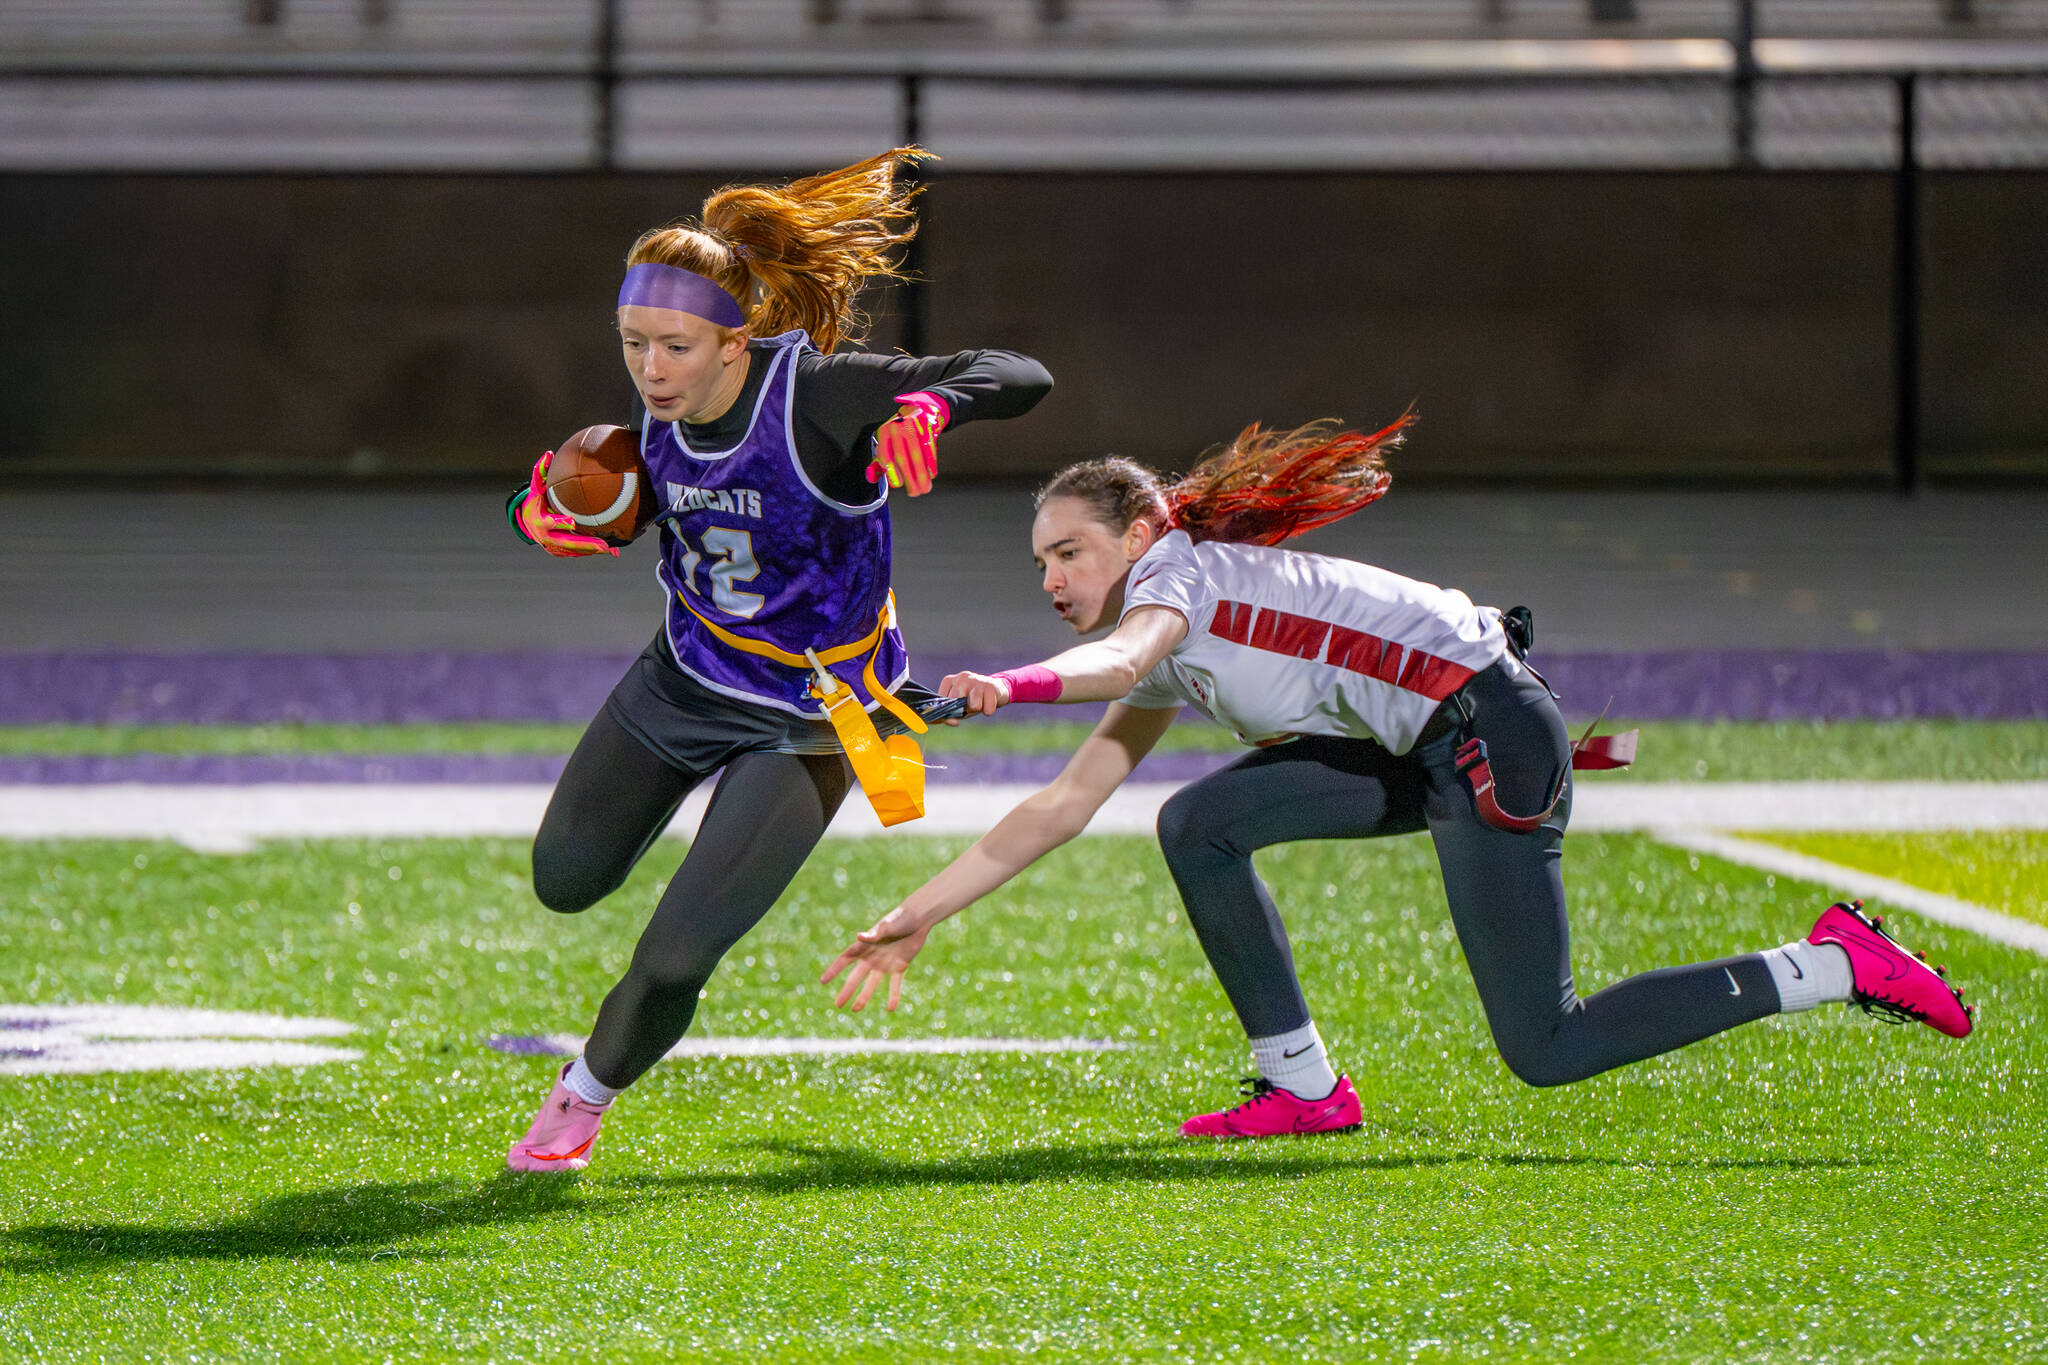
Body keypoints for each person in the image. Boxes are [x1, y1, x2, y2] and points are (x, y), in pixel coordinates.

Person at [821, 417, 1973, 1139]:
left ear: (1140, 531)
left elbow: (1115, 659)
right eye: (1039, 561)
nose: (1051, 575)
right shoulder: (1172, 622)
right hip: (1433, 742)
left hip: (1486, 737)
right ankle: (1304, 1087)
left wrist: (1001, 688)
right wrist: (912, 917)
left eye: (1067, 550)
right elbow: (1063, 806)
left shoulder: (1177, 586)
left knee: (1545, 1046)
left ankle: (1826, 964)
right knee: (1199, 823)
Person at [503, 148, 1052, 1171]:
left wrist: (931, 406)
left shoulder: (820, 399)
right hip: (683, 679)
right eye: (633, 345)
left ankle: (582, 1099)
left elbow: (1022, 375)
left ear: (734, 339)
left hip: (817, 711)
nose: (650, 370)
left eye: (674, 346)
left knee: (674, 954)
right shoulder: (647, 426)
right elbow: (610, 511)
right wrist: (544, 511)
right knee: (563, 881)